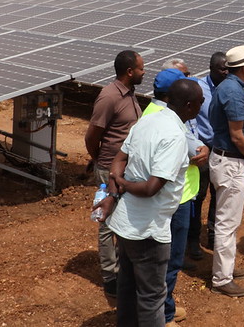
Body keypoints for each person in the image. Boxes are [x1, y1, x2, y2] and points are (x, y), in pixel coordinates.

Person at [96, 79, 204, 326]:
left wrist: (114, 190)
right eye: (201, 101)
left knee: (127, 288)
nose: (202, 105)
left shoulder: (147, 121)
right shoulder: (175, 136)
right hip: (149, 230)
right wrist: (123, 185)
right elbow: (150, 188)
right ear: (189, 106)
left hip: (125, 223)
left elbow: (119, 160)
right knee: (152, 298)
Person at [141, 69, 209, 325]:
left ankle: (163, 307)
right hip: (173, 199)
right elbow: (192, 149)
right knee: (167, 261)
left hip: (176, 195)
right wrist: (202, 149)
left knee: (163, 260)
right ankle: (164, 315)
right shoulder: (168, 121)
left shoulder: (152, 113)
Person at [84, 50, 144, 298]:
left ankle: (123, 269)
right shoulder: (109, 96)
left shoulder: (129, 94)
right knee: (107, 223)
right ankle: (110, 276)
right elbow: (92, 135)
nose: (144, 72)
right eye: (141, 68)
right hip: (110, 169)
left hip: (125, 169)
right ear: (129, 71)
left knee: (123, 220)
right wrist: (101, 161)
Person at [208, 45, 244, 298]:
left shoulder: (228, 87)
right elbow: (237, 135)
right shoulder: (233, 92)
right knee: (227, 223)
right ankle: (221, 279)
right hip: (231, 164)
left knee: (228, 220)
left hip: (226, 161)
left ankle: (225, 268)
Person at [188, 52, 228, 259]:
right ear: (211, 69)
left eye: (228, 68)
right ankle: (192, 241)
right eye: (222, 69)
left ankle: (213, 236)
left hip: (222, 149)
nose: (226, 72)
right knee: (198, 195)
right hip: (203, 149)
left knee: (218, 193)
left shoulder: (229, 88)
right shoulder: (198, 88)